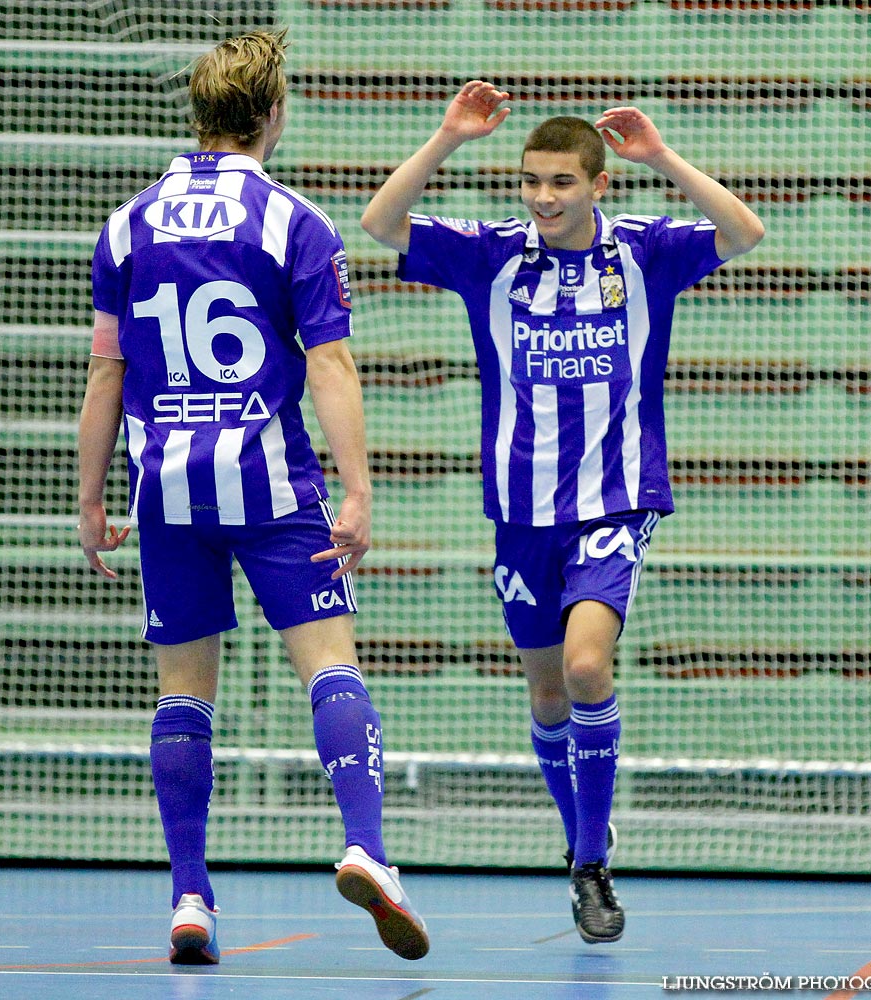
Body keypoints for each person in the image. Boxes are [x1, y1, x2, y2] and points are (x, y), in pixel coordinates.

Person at [360, 81, 764, 943]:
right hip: (519, 510)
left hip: (614, 499)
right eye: (531, 181)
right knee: (547, 696)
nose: (543, 198)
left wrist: (659, 157)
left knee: (586, 670)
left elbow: (743, 232)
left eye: (561, 183)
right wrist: (444, 139)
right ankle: (584, 828)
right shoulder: (493, 254)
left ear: (596, 184)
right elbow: (380, 224)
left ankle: (589, 865)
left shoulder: (645, 251)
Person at [76, 28, 429, 964]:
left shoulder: (128, 223)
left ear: (197, 114)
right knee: (327, 666)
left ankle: (190, 897)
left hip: (166, 490)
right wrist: (357, 492)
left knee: (184, 696)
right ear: (273, 114)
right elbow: (332, 364)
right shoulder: (293, 222)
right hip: (269, 482)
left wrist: (88, 503)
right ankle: (367, 847)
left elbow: (105, 376)